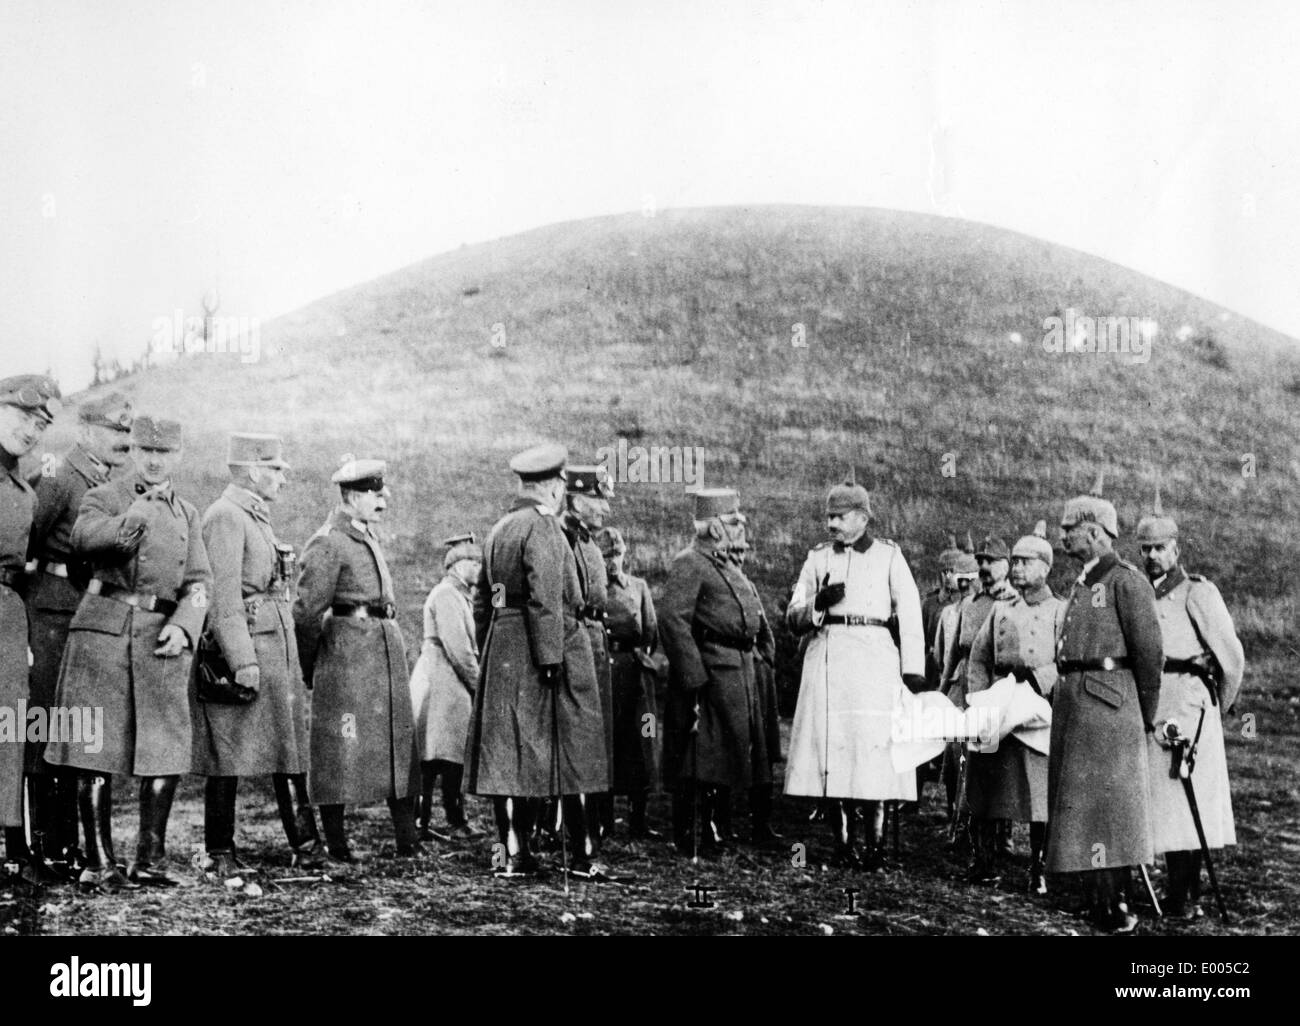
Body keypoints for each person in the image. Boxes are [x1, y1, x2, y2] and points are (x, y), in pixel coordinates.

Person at [45, 415, 213, 892]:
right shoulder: (105, 496)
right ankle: (99, 863)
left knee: (164, 747)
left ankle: (150, 862)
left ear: (178, 456)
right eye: (146, 451)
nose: (155, 461)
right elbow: (85, 539)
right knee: (93, 748)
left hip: (162, 640)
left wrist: (185, 625)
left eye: (165, 453)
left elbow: (201, 582)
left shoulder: (189, 514)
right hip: (104, 635)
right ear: (133, 451)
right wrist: (137, 516)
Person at [464, 443, 610, 879]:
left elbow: (483, 600)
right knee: (575, 746)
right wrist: (550, 657)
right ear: (550, 486)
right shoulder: (543, 529)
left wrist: (490, 644)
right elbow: (547, 596)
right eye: (562, 485)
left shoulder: (499, 529)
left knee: (506, 752)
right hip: (547, 646)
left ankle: (515, 854)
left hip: (502, 646)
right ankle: (583, 856)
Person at [193, 433, 317, 880]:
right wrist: (243, 660)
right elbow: (221, 596)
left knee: (287, 750)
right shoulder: (225, 516)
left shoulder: (254, 516)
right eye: (276, 469)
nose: (283, 478)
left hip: (273, 649)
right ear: (250, 470)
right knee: (228, 756)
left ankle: (306, 846)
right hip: (247, 652)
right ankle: (219, 850)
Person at [783, 480, 925, 869]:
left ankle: (876, 845)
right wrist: (817, 604)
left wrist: (913, 672)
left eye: (840, 516)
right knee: (833, 750)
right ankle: (843, 843)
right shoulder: (817, 559)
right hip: (828, 655)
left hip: (874, 659)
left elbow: (910, 613)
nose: (831, 524)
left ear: (862, 518)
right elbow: (793, 614)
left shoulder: (889, 557)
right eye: (828, 516)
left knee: (873, 750)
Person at [293, 457, 420, 864]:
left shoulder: (366, 536)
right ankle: (337, 844)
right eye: (373, 492)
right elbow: (306, 613)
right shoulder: (329, 540)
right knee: (339, 751)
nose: (383, 499)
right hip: (347, 658)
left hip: (381, 651)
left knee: (396, 744)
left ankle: (407, 840)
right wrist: (313, 667)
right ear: (350, 496)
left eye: (382, 491)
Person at [25, 391, 130, 880]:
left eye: (127, 434)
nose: (124, 442)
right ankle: (49, 848)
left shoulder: (109, 484)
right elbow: (23, 536)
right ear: (87, 431)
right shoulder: (61, 477)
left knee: (80, 731)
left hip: (87, 615)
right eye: (115, 432)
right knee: (46, 728)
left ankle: (76, 847)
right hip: (50, 613)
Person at [1051, 481, 1163, 932]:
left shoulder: (1125, 583)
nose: (1063, 538)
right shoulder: (1082, 583)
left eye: (1070, 529)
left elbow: (1149, 654)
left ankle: (1117, 903)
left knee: (1111, 808)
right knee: (1085, 806)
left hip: (1110, 708)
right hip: (1079, 705)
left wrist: (1145, 714)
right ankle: (1095, 897)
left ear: (1095, 532)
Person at [1137, 494, 1244, 920]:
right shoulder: (1141, 594)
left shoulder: (1197, 592)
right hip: (1156, 704)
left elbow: (1231, 659)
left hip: (1191, 707)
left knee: (1188, 799)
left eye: (1160, 548)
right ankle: (1177, 890)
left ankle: (1184, 895)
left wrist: (1216, 707)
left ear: (1176, 549)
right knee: (1164, 802)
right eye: (1145, 549)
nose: (1152, 557)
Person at [659, 488, 772, 859]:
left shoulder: (724, 566)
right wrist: (694, 678)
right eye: (732, 523)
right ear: (712, 528)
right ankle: (693, 834)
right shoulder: (691, 562)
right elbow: (674, 621)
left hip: (735, 671)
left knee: (723, 754)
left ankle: (712, 830)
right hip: (708, 674)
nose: (739, 530)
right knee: (700, 757)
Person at [965, 521, 1065, 892]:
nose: (1018, 568)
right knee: (987, 781)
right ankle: (985, 860)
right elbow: (978, 656)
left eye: (1027, 562)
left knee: (1038, 794)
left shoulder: (1060, 610)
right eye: (1016, 562)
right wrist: (978, 698)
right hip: (1001, 701)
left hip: (1038, 708)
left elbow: (1067, 659)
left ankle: (1039, 867)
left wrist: (1042, 680)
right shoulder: (1002, 610)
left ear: (1045, 567)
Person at [0, 375, 62, 886]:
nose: (31, 431)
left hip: (8, 607)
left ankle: (12, 846)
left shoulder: (23, 487)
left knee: (10, 727)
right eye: (22, 418)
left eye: (40, 424)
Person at [938, 535, 1017, 844]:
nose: (984, 567)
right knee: (959, 757)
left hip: (1000, 689)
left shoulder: (1013, 601)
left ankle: (1002, 834)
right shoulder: (968, 605)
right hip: (966, 689)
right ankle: (963, 827)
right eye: (980, 561)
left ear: (1006, 565)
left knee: (999, 758)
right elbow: (953, 653)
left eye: (991, 561)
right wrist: (943, 691)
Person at [409, 532, 485, 842]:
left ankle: (435, 820)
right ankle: (433, 822)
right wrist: (478, 685)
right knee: (438, 757)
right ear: (457, 565)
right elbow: (459, 650)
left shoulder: (460, 596)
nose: (479, 568)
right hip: (443, 682)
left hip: (446, 682)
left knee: (445, 756)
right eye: (474, 562)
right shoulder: (446, 596)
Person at [559, 465, 616, 842]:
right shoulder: (561, 539)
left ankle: (590, 826)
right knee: (574, 737)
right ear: (577, 500)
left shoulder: (589, 543)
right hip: (574, 640)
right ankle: (563, 827)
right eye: (597, 500)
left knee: (595, 736)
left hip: (595, 641)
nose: (605, 509)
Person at [596, 526, 661, 840]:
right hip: (603, 674)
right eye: (606, 556)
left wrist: (641, 660)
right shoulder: (592, 589)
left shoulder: (638, 587)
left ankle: (639, 819)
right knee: (607, 744)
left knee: (642, 741)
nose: (612, 563)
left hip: (635, 676)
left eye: (616, 555)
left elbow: (651, 631)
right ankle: (604, 820)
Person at [726, 529, 782, 847]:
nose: (739, 557)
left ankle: (762, 824)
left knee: (761, 756)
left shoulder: (748, 586)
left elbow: (765, 632)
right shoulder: (719, 586)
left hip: (757, 676)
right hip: (732, 675)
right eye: (733, 551)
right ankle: (722, 823)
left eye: (742, 551)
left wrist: (764, 661)